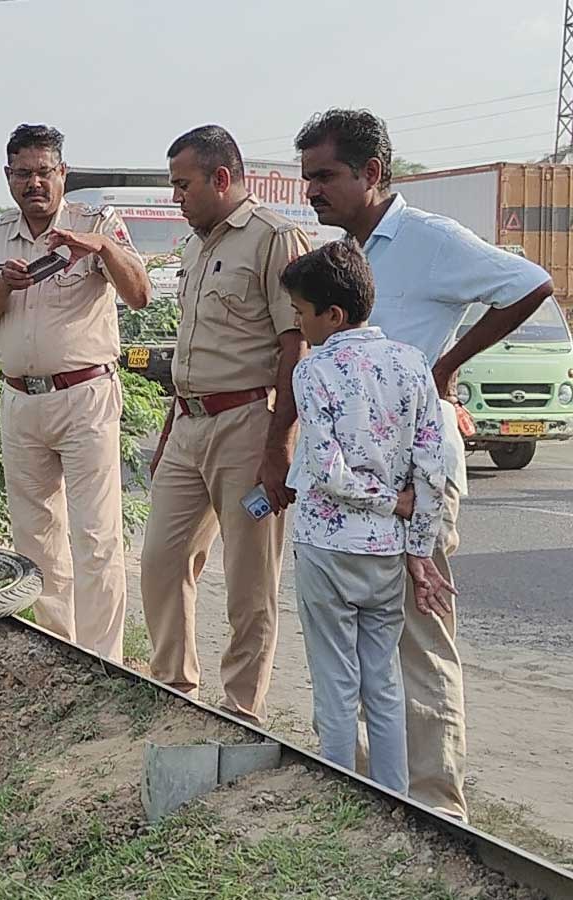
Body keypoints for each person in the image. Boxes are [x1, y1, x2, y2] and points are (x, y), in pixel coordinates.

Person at [295, 108, 554, 818]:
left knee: (417, 633)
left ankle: (435, 811)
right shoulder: (341, 255)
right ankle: (362, 795)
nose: (312, 190)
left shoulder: (431, 240)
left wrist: (441, 368)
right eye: (307, 176)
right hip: (349, 485)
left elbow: (531, 283)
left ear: (372, 173)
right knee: (349, 643)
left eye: (325, 175)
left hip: (413, 470)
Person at [0, 123, 152, 662]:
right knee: (35, 536)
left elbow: (139, 294)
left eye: (45, 171)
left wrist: (100, 248)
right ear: (8, 177)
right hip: (20, 400)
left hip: (86, 396)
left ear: (63, 173)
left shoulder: (98, 223)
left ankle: (102, 659)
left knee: (96, 535)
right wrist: (3, 284)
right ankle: (58, 651)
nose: (35, 183)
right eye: (23, 173)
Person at [141, 125, 310, 725]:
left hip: (247, 423)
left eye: (183, 186)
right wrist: (168, 429)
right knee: (161, 559)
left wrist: (279, 446)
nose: (176, 199)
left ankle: (241, 706)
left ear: (220, 178)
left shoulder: (274, 239)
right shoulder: (196, 245)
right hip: (187, 424)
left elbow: (296, 347)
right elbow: (192, 350)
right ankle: (173, 687)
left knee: (249, 578)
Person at [281, 238, 455, 792]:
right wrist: (419, 548)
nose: (298, 324)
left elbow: (326, 470)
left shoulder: (313, 372)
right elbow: (433, 466)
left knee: (335, 681)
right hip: (385, 552)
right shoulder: (412, 364)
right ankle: (393, 797)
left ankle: (339, 797)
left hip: (327, 549)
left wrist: (384, 499)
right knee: (382, 681)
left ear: (331, 315)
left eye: (301, 313)